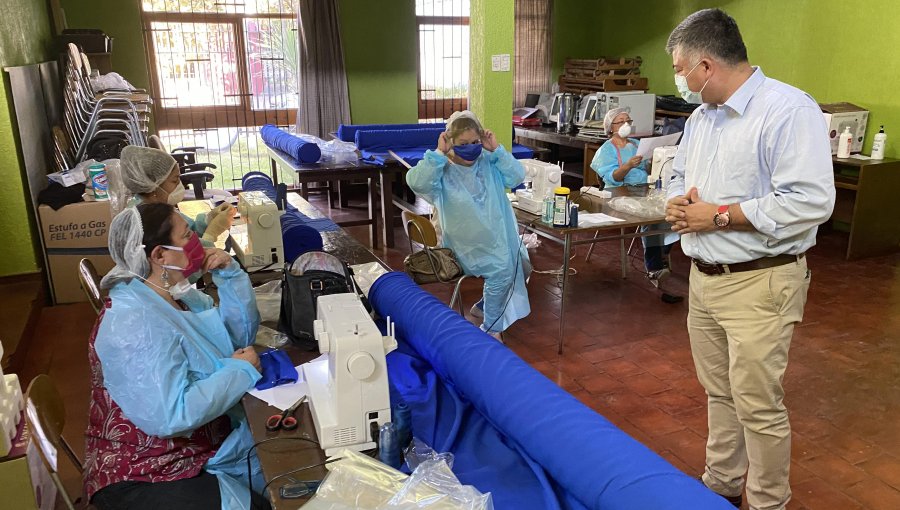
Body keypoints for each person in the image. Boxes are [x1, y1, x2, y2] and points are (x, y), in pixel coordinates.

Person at [664, 9, 835, 510]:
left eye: (680, 68)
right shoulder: (701, 117)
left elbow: (809, 201)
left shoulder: (787, 110)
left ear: (705, 64)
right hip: (705, 276)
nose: (680, 78)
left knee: (758, 404)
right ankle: (720, 482)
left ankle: (766, 501)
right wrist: (675, 200)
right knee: (719, 391)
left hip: (759, 282)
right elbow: (677, 175)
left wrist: (716, 216)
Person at [83, 203, 270, 510]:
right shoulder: (133, 323)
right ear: (159, 255)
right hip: (146, 469)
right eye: (187, 235)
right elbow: (171, 415)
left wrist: (230, 275)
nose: (197, 241)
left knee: (279, 471)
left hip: (195, 442)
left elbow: (236, 341)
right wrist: (238, 371)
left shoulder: (173, 293)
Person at [406, 110, 531, 339]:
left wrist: (497, 150)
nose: (471, 147)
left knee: (522, 263)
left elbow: (516, 177)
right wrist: (438, 154)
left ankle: (484, 306)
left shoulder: (488, 161)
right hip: (462, 247)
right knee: (504, 270)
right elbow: (416, 183)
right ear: (450, 141)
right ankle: (492, 330)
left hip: (496, 239)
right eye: (463, 143)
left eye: (475, 142)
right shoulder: (441, 169)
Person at [590, 107, 680, 297]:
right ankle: (654, 266)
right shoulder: (606, 150)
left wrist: (651, 161)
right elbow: (613, 177)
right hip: (617, 192)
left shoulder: (636, 144)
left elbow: (647, 169)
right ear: (611, 127)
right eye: (620, 121)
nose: (625, 125)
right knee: (650, 218)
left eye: (628, 121)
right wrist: (628, 165)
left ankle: (662, 252)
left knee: (671, 211)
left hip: (642, 188)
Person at [120, 145, 233, 244]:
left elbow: (189, 229)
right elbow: (189, 257)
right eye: (175, 180)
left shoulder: (157, 206)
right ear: (154, 185)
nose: (180, 184)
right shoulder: (148, 221)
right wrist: (210, 235)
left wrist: (210, 218)